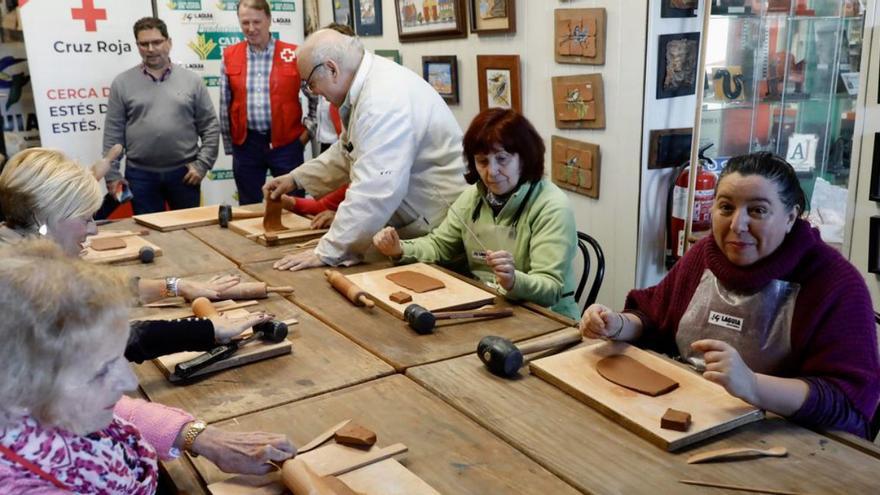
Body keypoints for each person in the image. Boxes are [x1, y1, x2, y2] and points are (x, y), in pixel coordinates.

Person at [580, 152, 880, 438]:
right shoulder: (703, 256)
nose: (738, 225)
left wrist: (752, 384)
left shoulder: (836, 284)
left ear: (791, 217)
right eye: (726, 208)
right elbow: (653, 317)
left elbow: (845, 402)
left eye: (757, 210)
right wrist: (617, 324)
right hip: (694, 414)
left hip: (784, 439)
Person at [0, 240, 296, 493]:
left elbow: (121, 411)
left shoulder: (41, 409)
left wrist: (199, 437)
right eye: (101, 370)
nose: (129, 381)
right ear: (20, 385)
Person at [0, 148, 267, 361]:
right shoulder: (23, 280)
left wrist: (176, 286)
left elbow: (96, 288)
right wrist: (210, 330)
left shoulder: (21, 242)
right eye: (85, 218)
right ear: (42, 217)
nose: (93, 229)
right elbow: (109, 340)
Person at [264, 28, 467, 271]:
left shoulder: (382, 101)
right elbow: (347, 151)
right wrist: (296, 178)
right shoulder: (367, 86)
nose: (314, 92)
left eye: (310, 83)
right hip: (415, 222)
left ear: (332, 69)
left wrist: (327, 251)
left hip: (437, 231)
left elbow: (374, 188)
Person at [373, 109, 579, 319]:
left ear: (524, 158)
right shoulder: (473, 198)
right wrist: (399, 249)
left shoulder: (552, 207)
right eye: (482, 161)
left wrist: (514, 281)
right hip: (487, 305)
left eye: (502, 159)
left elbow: (550, 288)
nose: (492, 171)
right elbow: (439, 246)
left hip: (545, 317)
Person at [103, 17, 219, 215]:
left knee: (189, 233)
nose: (150, 48)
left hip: (185, 174)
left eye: (156, 42)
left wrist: (202, 165)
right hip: (140, 176)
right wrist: (112, 176)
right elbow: (113, 134)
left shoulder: (192, 81)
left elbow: (210, 126)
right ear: (137, 46)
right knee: (151, 234)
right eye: (144, 44)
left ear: (169, 42)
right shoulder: (122, 83)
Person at [220, 0, 309, 205]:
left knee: (293, 203)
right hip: (246, 145)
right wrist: (231, 144)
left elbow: (315, 98)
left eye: (256, 22)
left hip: (287, 144)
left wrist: (306, 135)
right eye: (245, 23)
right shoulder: (229, 55)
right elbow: (225, 103)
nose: (251, 29)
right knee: (249, 206)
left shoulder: (293, 54)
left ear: (269, 20)